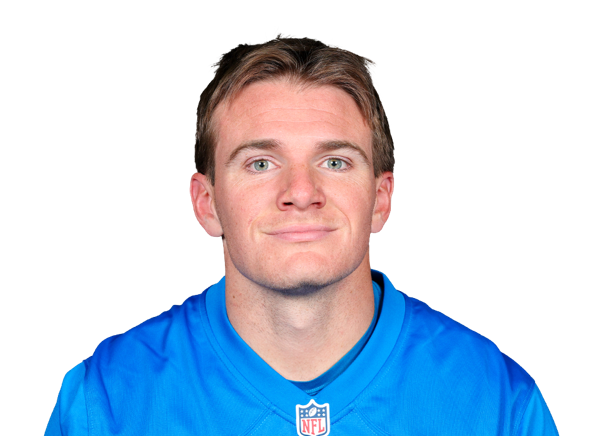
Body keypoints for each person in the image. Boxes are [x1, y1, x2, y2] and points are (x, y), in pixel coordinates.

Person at [45, 35, 559, 435]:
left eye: (334, 161)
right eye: (260, 163)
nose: (301, 192)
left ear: (381, 199)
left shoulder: (497, 400)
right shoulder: (105, 399)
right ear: (206, 203)